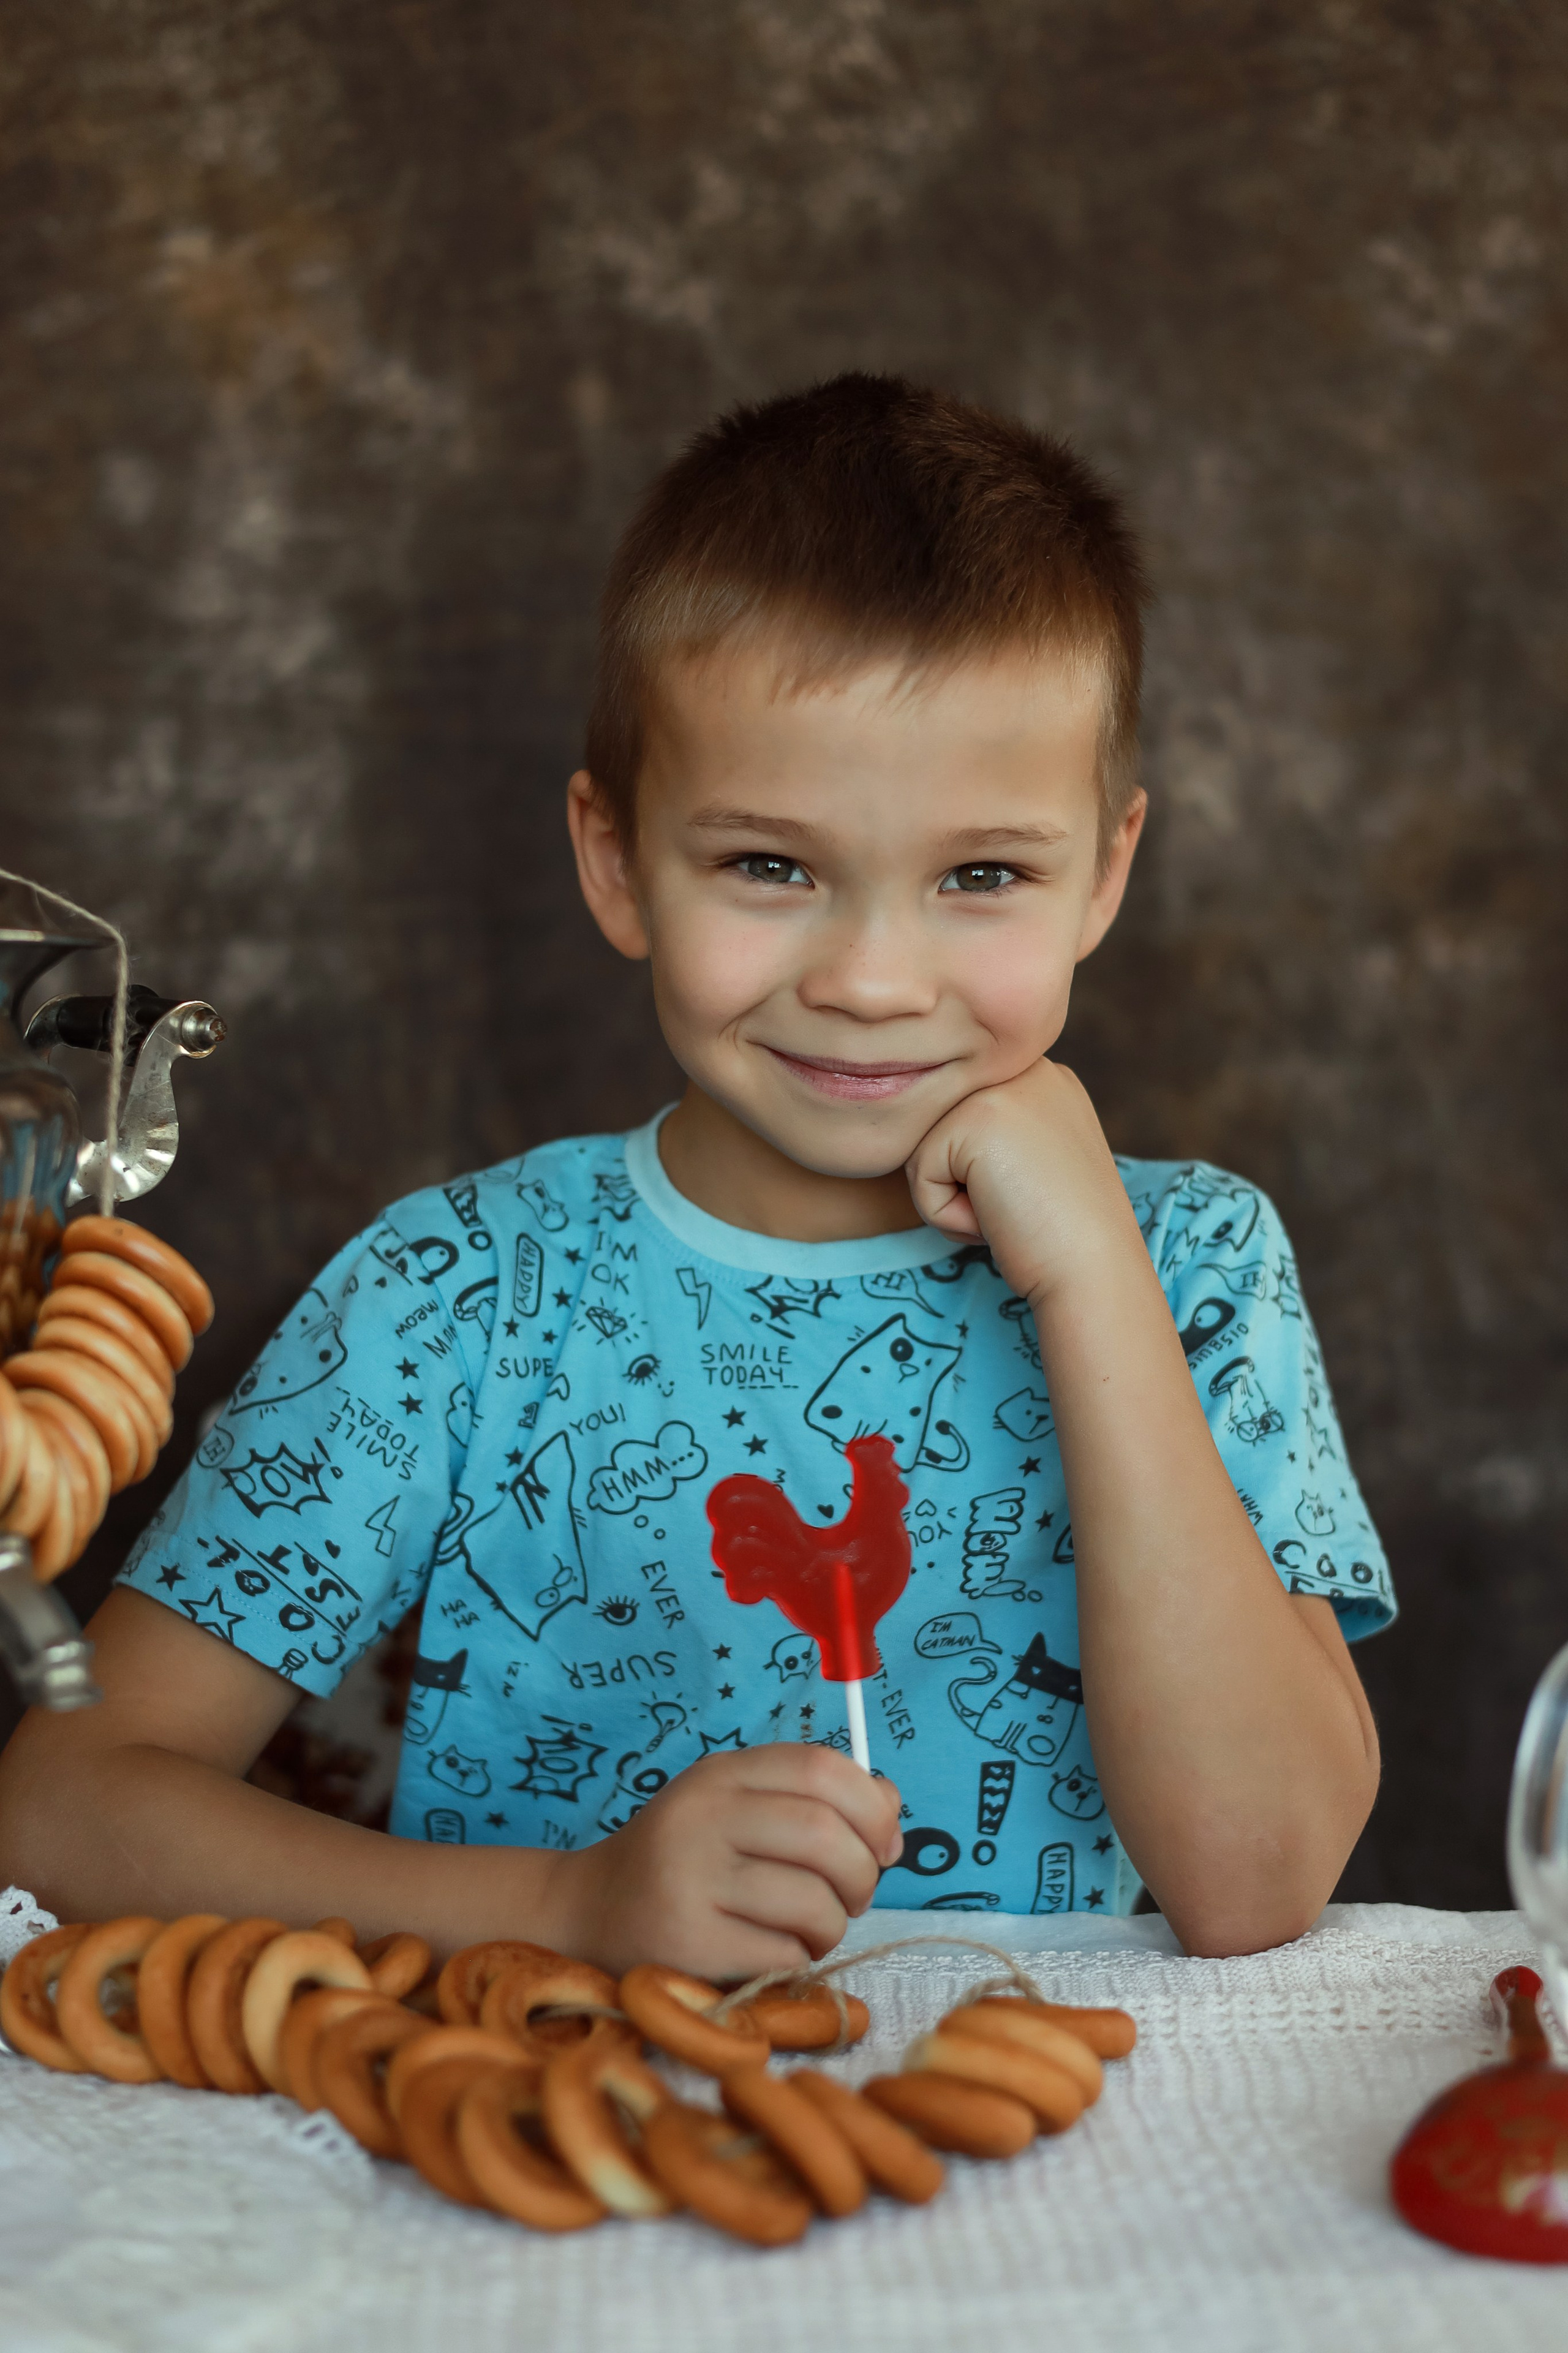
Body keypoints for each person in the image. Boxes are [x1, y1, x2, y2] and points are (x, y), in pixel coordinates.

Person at [0, 374, 1391, 1976]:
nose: (874, 978)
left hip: (1074, 2171)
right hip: (545, 2164)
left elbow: (1257, 1879)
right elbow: (64, 1802)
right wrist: (567, 1909)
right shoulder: (450, 1294)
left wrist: (1091, 1276)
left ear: (1108, 871)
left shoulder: (1202, 1265)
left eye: (984, 874)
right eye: (771, 866)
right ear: (616, 860)